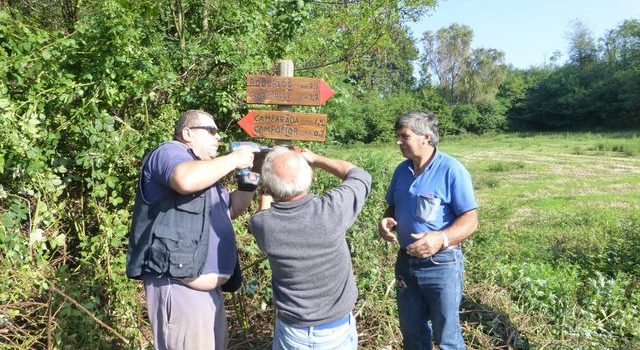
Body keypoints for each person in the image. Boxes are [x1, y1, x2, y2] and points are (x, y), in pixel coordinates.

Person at [126, 109, 259, 350]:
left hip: (209, 291)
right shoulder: (168, 152)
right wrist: (234, 158)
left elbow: (229, 211)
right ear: (187, 133)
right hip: (179, 288)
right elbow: (184, 180)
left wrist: (248, 182)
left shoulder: (205, 170)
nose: (218, 137)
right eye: (211, 131)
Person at [249, 146, 372, 350]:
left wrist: (266, 184)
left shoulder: (263, 225)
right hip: (337, 330)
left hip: (292, 331)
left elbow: (264, 211)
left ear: (269, 189)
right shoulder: (331, 210)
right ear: (311, 177)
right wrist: (315, 158)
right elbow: (359, 175)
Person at [378, 111, 478, 350]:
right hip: (406, 262)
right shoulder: (401, 171)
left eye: (404, 136)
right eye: (398, 136)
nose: (398, 141)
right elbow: (392, 206)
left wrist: (441, 238)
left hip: (441, 265)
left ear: (427, 137)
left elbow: (471, 219)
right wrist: (386, 220)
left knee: (447, 337)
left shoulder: (452, 170)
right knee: (413, 335)